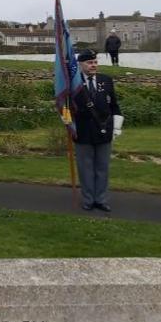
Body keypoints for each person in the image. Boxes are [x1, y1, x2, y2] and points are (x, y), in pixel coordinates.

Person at [71, 49, 123, 213]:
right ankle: (88, 200)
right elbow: (66, 106)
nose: (93, 65)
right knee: (85, 168)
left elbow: (114, 105)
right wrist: (68, 123)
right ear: (80, 64)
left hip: (103, 130)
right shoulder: (74, 83)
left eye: (95, 62)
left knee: (103, 167)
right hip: (83, 131)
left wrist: (116, 127)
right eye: (89, 63)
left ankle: (101, 199)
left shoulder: (105, 80)